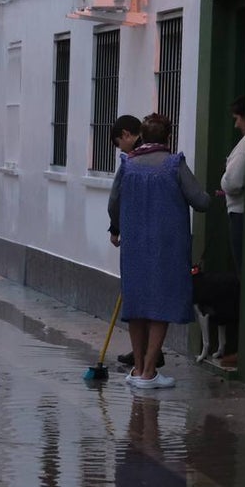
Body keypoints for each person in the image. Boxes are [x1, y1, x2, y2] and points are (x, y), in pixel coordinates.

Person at [107, 113, 213, 389]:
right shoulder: (174, 165)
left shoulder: (127, 165)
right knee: (160, 307)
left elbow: (113, 204)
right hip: (168, 249)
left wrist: (116, 229)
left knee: (137, 305)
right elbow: (200, 201)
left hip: (134, 249)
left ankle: (138, 368)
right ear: (168, 137)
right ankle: (150, 371)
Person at [110, 115, 163, 372]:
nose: (120, 148)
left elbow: (116, 198)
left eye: (119, 142)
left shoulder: (131, 161)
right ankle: (148, 356)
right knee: (153, 294)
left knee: (139, 296)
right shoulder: (165, 156)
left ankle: (143, 361)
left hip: (137, 237)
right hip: (161, 236)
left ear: (127, 134)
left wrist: (115, 227)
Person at [220, 95, 245, 276]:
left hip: (239, 213)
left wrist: (224, 181)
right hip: (240, 210)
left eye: (237, 119)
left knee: (241, 266)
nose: (236, 125)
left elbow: (233, 181)